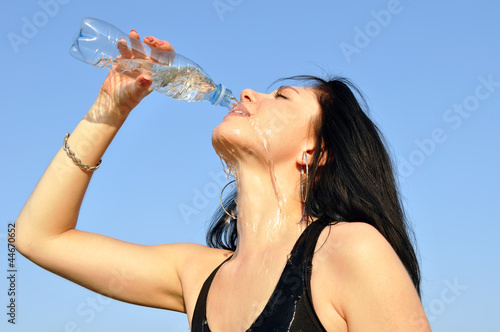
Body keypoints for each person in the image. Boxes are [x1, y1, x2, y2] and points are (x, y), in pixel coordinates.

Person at [13, 29, 431, 331]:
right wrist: (109, 110)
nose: (249, 93)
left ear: (315, 152)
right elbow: (36, 237)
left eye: (282, 97)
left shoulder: (349, 251)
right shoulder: (197, 274)